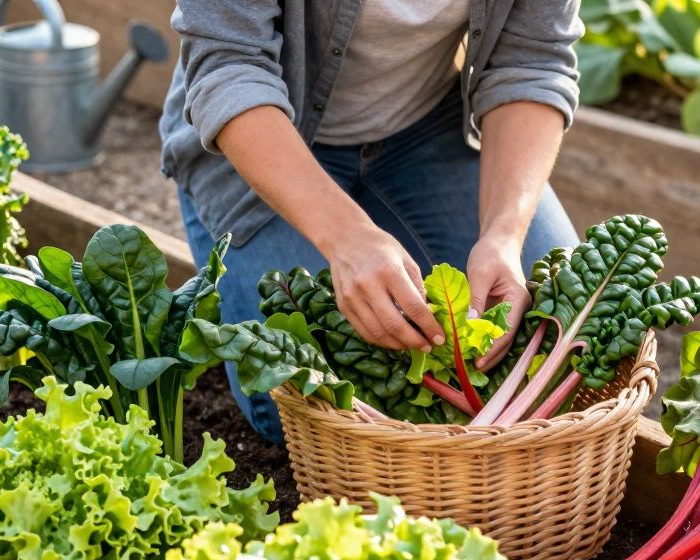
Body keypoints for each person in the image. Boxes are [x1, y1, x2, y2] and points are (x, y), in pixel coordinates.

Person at [161, 1, 583, 441]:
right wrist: (347, 238)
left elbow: (534, 60)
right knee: (300, 411)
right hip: (262, 135)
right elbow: (228, 67)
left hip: (422, 128)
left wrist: (503, 235)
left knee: (571, 337)